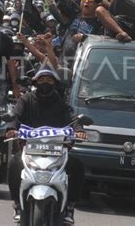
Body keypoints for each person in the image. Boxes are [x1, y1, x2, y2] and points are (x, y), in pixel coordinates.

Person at [6, 66, 87, 224]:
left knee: (78, 166)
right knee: (13, 164)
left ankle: (70, 207)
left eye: (49, 80)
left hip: (57, 151)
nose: (45, 83)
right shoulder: (26, 99)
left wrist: (79, 130)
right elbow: (15, 115)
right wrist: (11, 129)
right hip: (29, 151)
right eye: (42, 80)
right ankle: (16, 204)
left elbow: (74, 119)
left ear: (55, 83)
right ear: (35, 82)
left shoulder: (61, 103)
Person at [60, 0, 130, 58]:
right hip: (63, 61)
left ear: (97, 4)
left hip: (85, 63)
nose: (86, 1)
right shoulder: (74, 14)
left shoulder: (100, 23)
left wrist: (85, 38)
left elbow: (103, 42)